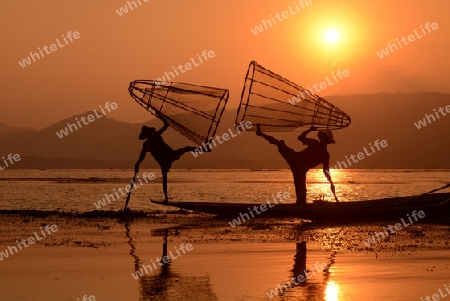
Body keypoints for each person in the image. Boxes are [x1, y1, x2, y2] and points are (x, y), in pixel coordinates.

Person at [255, 124, 336, 207]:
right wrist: (309, 130)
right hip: (295, 158)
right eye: (322, 137)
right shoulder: (314, 143)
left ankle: (299, 207)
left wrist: (331, 182)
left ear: (327, 141)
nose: (322, 139)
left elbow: (326, 171)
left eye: (324, 138)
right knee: (279, 143)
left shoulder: (325, 155)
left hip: (301, 168)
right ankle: (261, 134)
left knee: (301, 192)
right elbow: (300, 138)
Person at [134, 118, 197, 202]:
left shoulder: (156, 135)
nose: (149, 134)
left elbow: (163, 129)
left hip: (170, 155)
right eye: (147, 133)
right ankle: (166, 197)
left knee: (186, 148)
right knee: (164, 179)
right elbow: (142, 156)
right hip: (163, 162)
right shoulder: (146, 145)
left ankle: (204, 149)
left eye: (149, 132)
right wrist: (137, 164)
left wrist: (165, 125)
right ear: (145, 135)